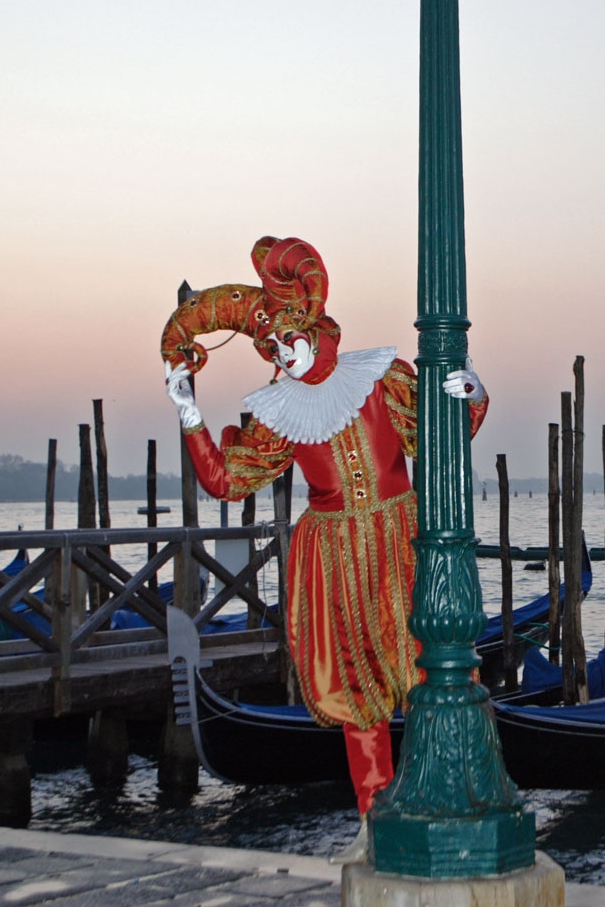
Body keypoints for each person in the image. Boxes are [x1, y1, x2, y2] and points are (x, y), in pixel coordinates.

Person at [160, 236, 487, 862]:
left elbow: (448, 433)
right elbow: (228, 479)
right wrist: (189, 411)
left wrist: (470, 393)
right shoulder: (280, 413)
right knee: (360, 695)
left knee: (433, 670)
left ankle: (448, 801)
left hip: (401, 539)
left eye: (289, 339)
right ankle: (375, 825)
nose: (283, 353)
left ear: (312, 325)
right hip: (334, 555)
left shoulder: (381, 377)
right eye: (272, 348)